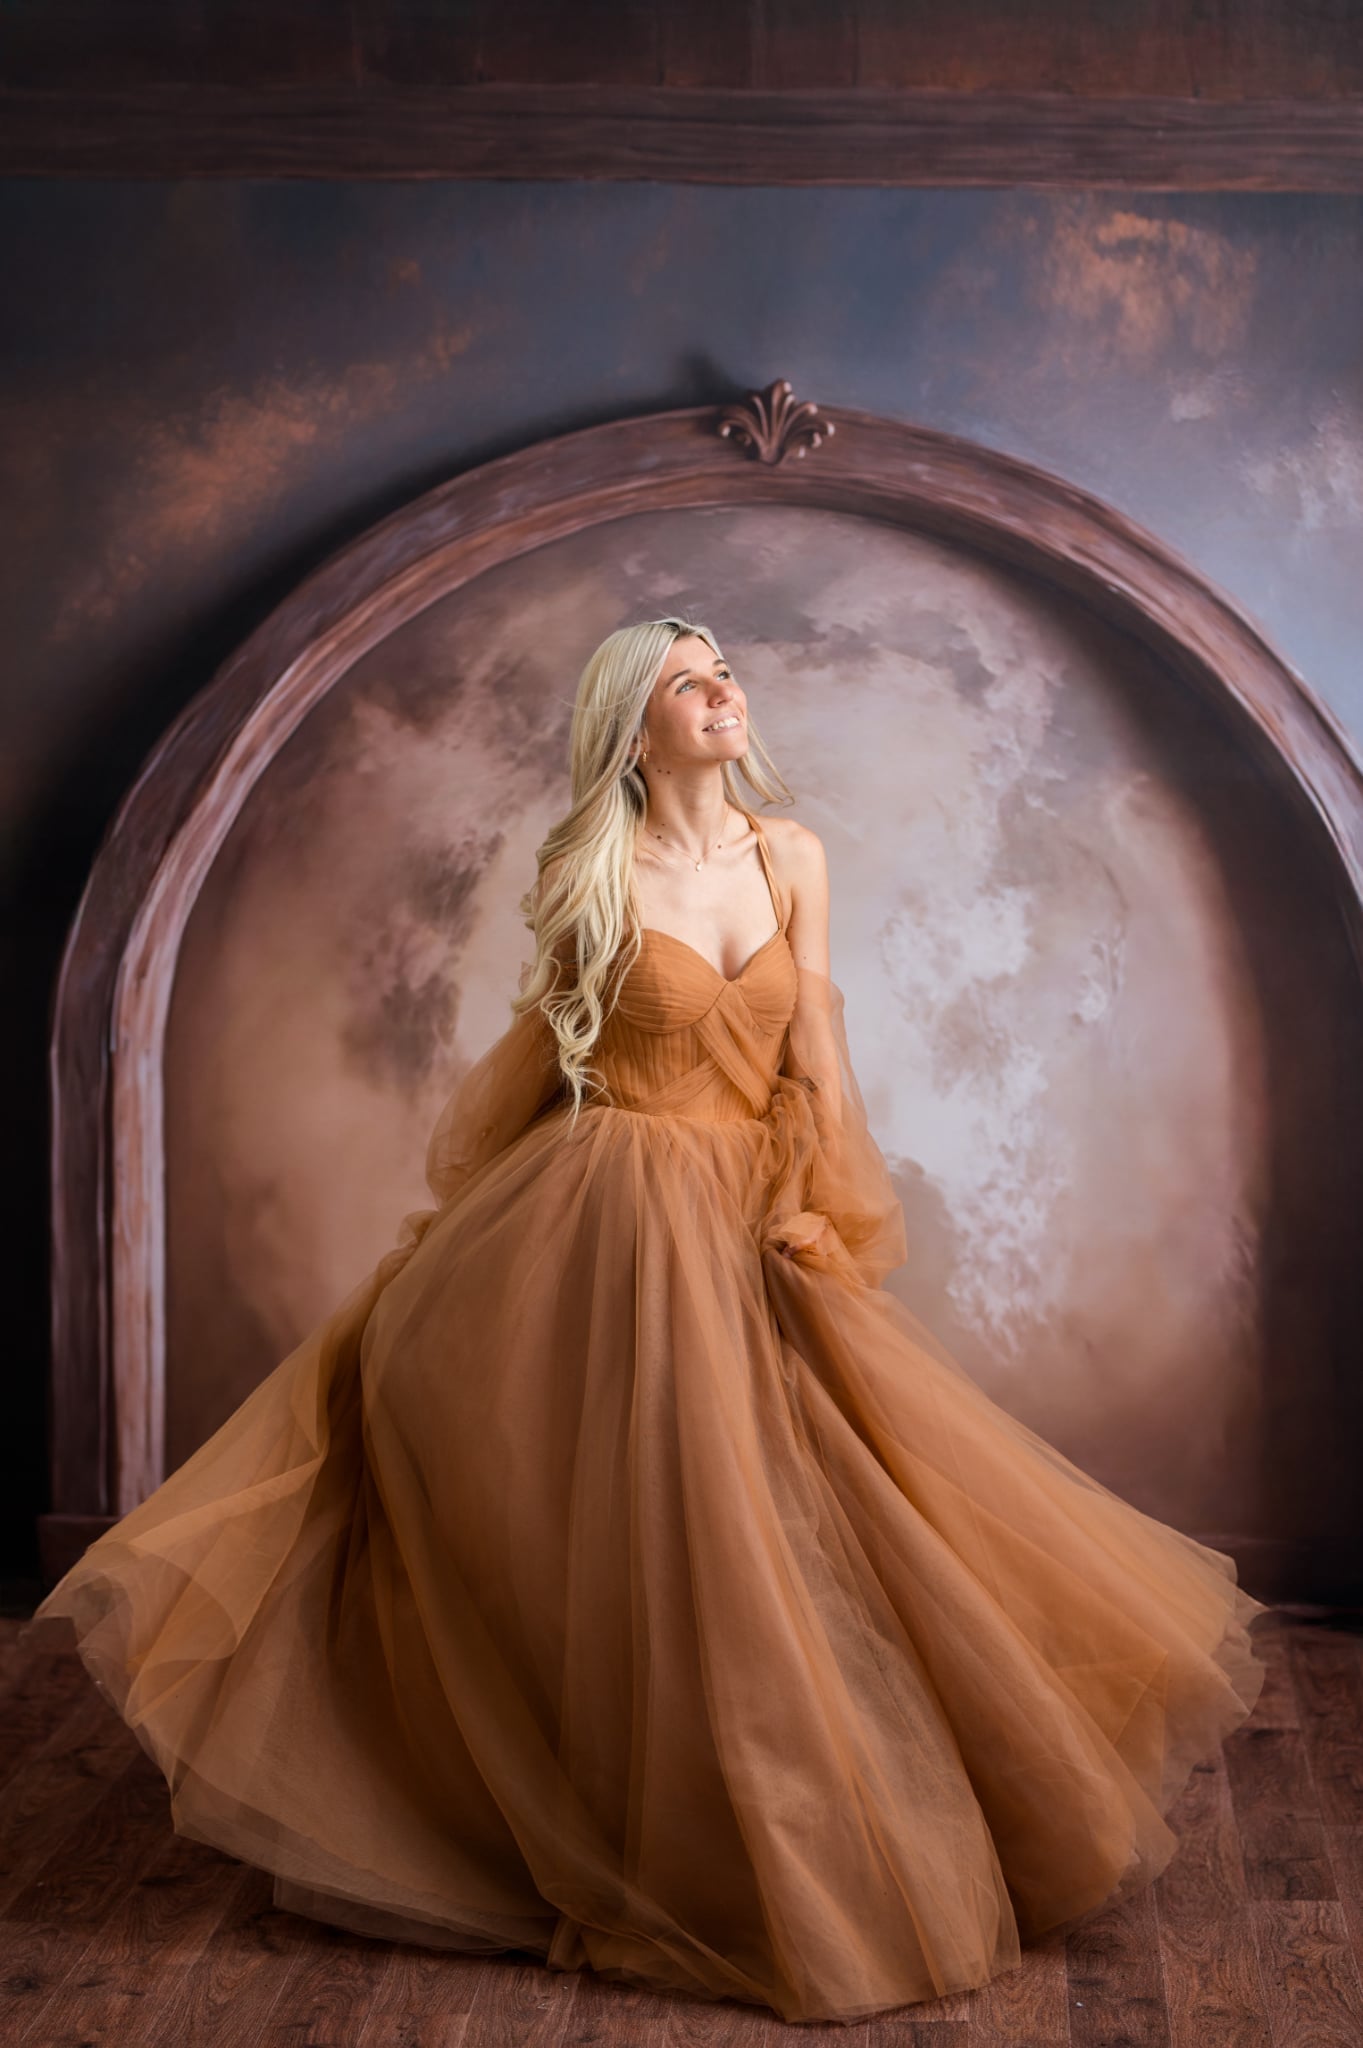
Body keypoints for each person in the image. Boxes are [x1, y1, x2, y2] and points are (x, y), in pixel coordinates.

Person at [27, 615, 1269, 2025]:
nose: (725, 690)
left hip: (754, 1207)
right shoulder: (589, 869)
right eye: (690, 679)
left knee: (809, 1511)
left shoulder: (791, 854)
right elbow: (545, 1065)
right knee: (657, 1523)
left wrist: (826, 1198)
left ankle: (830, 1825)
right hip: (613, 1209)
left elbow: (820, 1050)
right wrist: (472, 1254)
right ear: (636, 722)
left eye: (727, 669)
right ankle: (634, 1825)